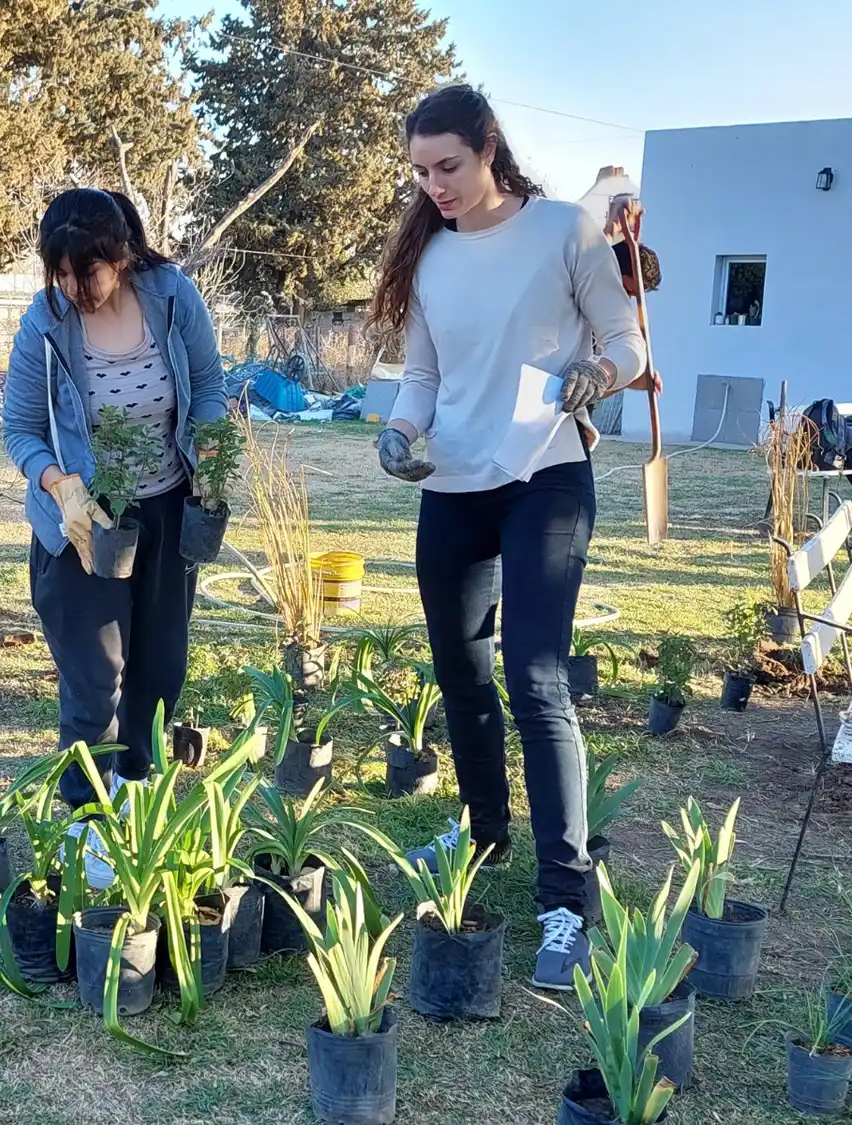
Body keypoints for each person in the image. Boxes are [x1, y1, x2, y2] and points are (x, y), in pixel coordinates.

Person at [368, 85, 645, 991]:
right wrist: (401, 435)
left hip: (547, 473)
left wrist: (599, 371)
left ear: (490, 150)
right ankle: (484, 832)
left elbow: (628, 345)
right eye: (420, 171)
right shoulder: (429, 255)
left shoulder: (564, 230)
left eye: (447, 165)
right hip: (452, 484)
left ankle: (565, 899)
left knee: (536, 676)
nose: (434, 186)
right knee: (462, 671)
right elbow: (421, 375)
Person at [1, 188, 226, 849]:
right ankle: (89, 825)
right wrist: (59, 485)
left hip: (166, 511)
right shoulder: (42, 325)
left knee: (160, 671)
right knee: (95, 681)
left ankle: (138, 803)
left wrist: (210, 447)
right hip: (83, 521)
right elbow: (21, 429)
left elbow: (208, 387)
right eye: (60, 273)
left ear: (122, 257)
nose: (72, 287)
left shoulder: (173, 298)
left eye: (86, 272)